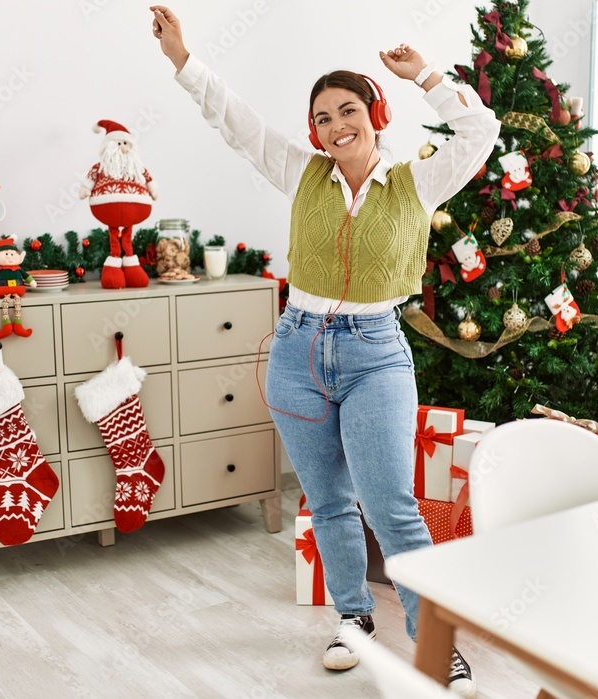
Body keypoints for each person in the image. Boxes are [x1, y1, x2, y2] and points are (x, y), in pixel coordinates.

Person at [150, 7, 499, 697]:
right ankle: (353, 620)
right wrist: (182, 59)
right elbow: (234, 118)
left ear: (376, 114)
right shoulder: (301, 170)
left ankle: (434, 643)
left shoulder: (415, 182)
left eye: (349, 111)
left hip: (375, 351)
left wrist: (425, 74)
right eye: (324, 118)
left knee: (391, 503)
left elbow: (479, 129)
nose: (337, 126)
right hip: (297, 349)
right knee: (328, 499)